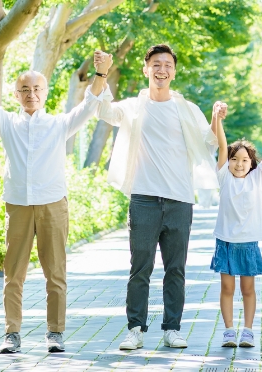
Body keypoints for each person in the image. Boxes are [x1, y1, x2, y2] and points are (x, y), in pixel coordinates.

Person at [0, 26, 111, 353]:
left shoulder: (59, 124)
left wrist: (101, 72)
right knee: (12, 276)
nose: (31, 93)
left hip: (52, 207)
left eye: (36, 88)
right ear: (16, 95)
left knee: (55, 274)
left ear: (45, 92)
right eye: (24, 89)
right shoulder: (6, 123)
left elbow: (90, 104)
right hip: (17, 206)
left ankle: (55, 333)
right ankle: (11, 335)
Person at [96, 44, 223, 350]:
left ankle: (172, 329)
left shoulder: (188, 110)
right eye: (156, 64)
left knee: (176, 269)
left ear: (174, 71)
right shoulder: (132, 107)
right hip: (143, 199)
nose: (161, 69)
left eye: (167, 65)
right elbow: (102, 110)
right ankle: (135, 329)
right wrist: (102, 73)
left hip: (179, 200)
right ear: (146, 69)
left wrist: (217, 118)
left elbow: (211, 143)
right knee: (140, 268)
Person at [210, 103, 262, 348]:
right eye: (234, 159)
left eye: (244, 159)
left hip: (248, 243)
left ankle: (248, 330)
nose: (239, 163)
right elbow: (222, 144)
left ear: (251, 163)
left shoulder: (257, 179)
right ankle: (229, 330)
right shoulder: (223, 176)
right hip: (225, 241)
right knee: (226, 287)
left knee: (247, 289)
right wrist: (217, 118)